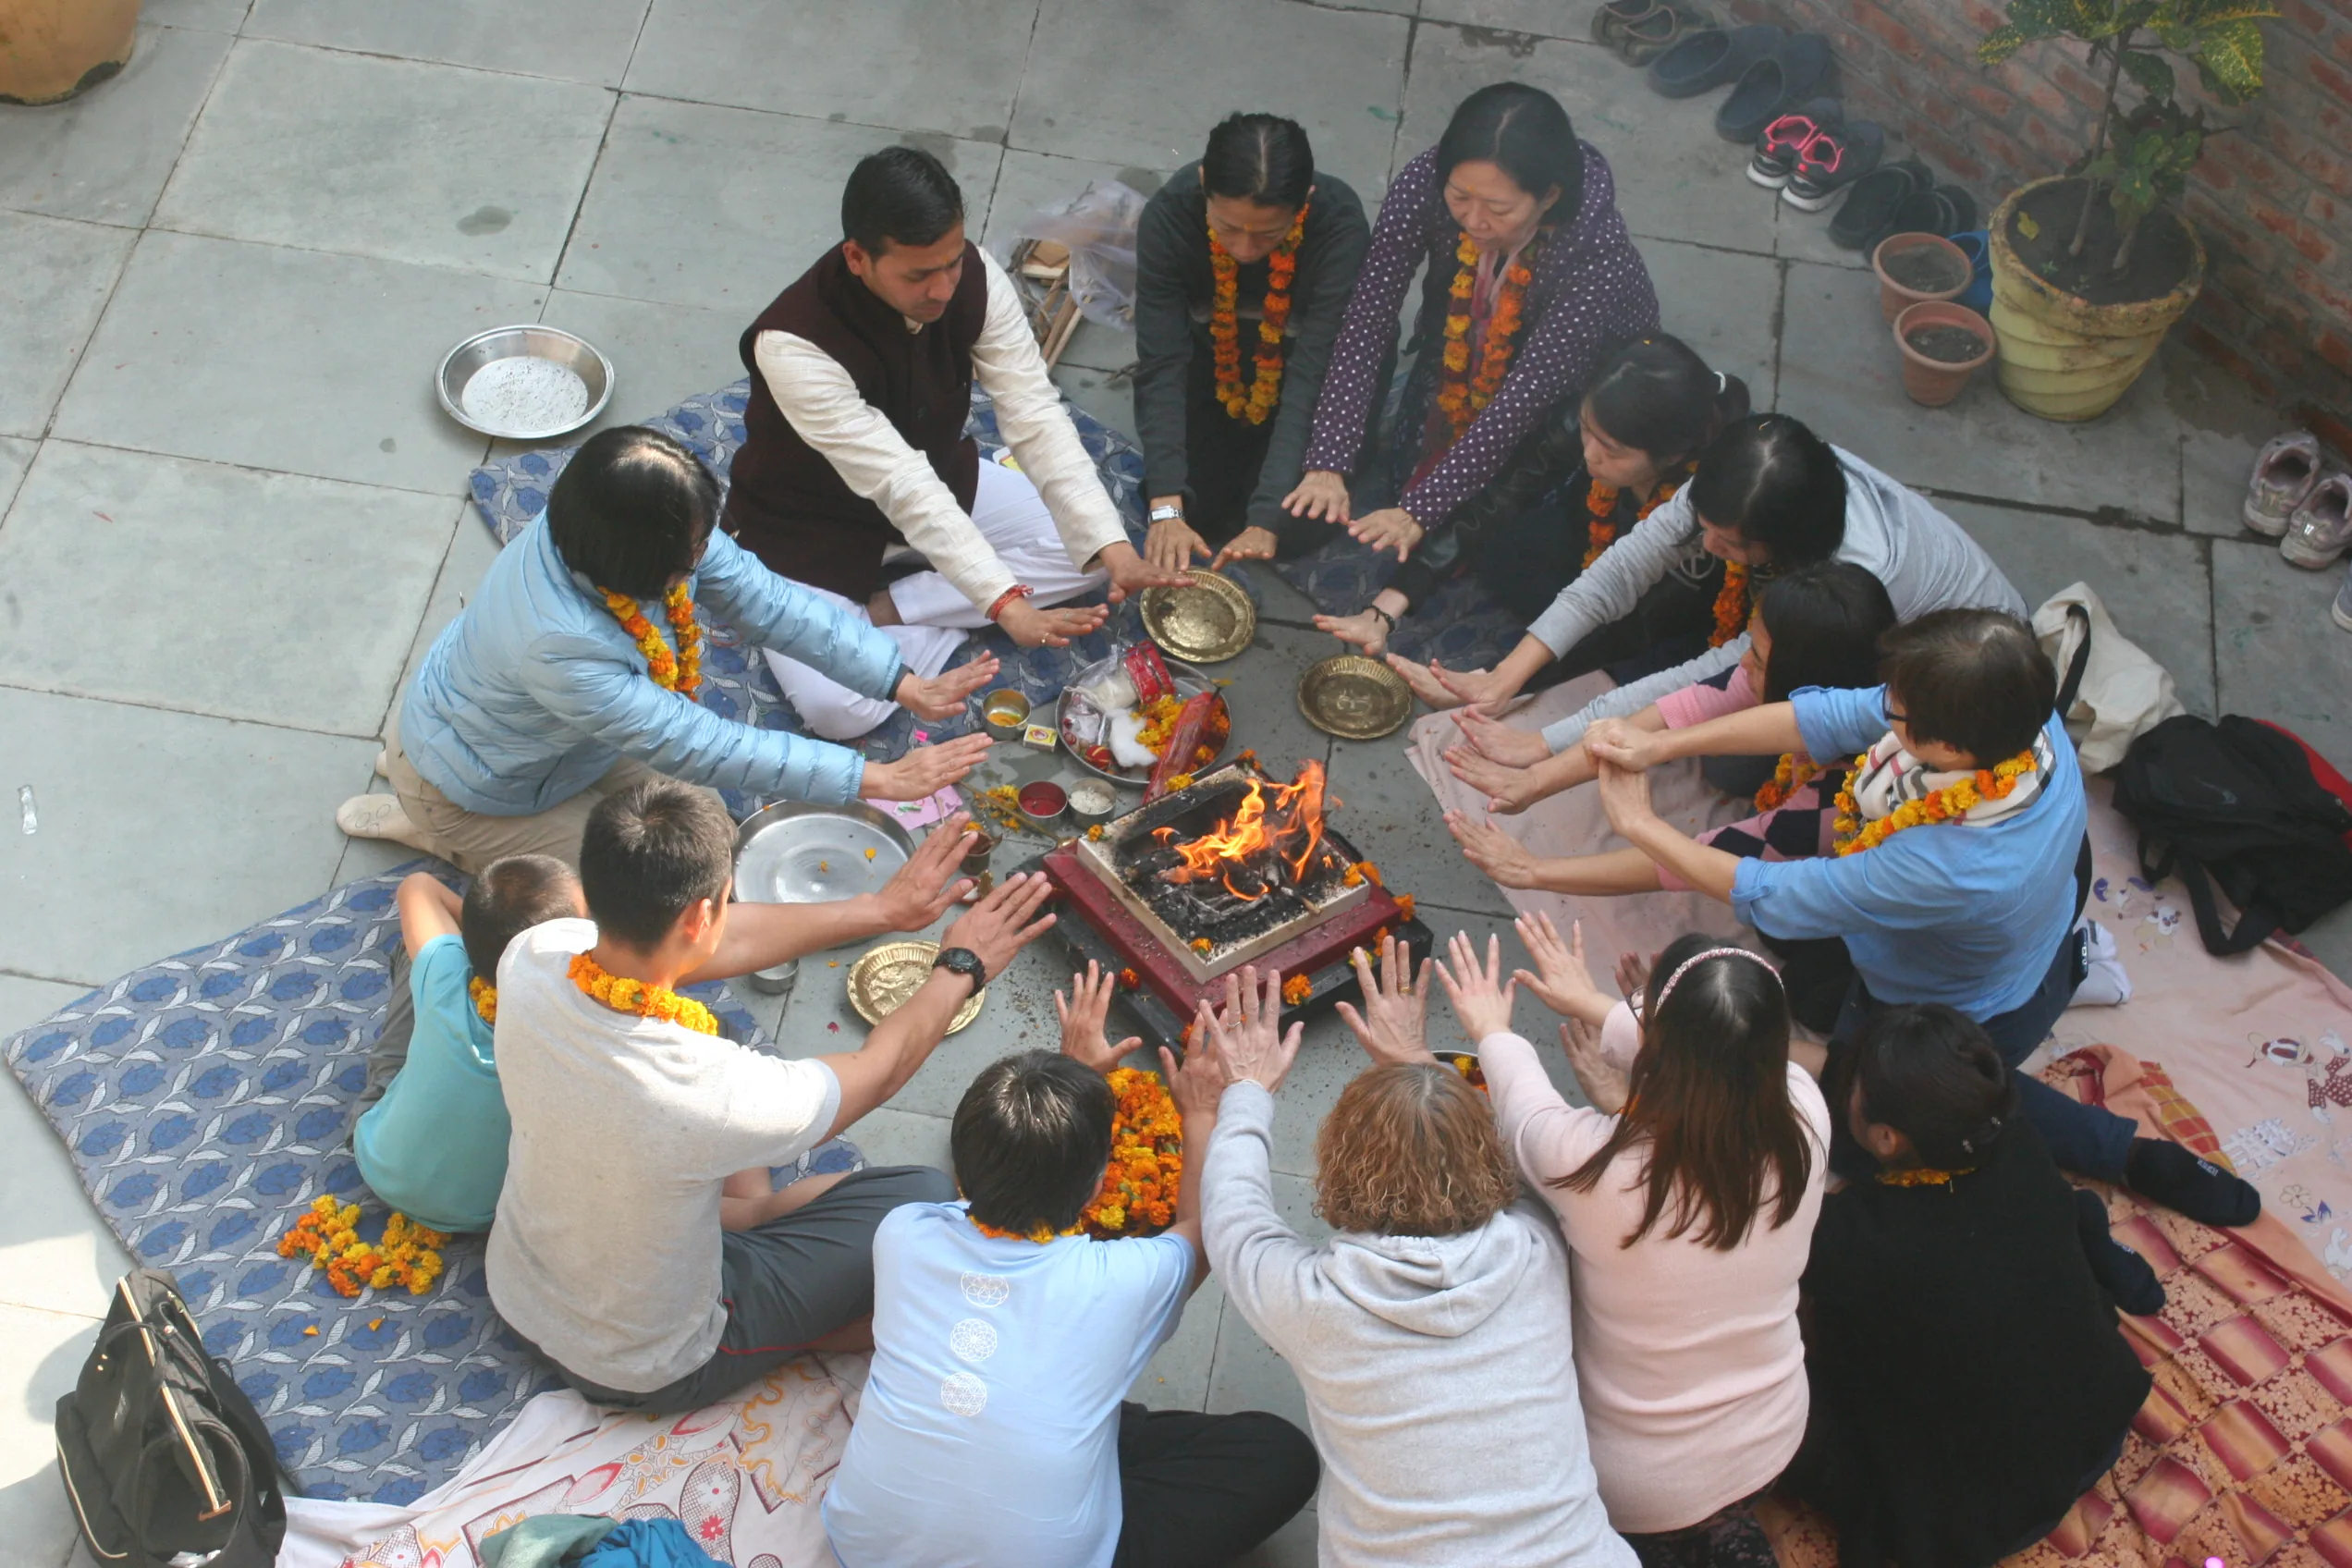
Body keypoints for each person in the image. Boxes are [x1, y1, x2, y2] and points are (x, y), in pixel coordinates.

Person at [1582, 607, 2260, 1228]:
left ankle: (2117, 1159)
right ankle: (2074, 999)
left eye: (1900, 715)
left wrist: (1639, 823)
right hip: (2033, 919)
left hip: (1960, 1002)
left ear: (1955, 751)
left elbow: (1770, 889)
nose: (1886, 716)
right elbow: (1820, 719)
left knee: (1880, 1125)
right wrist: (1657, 746)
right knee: (1823, 1000)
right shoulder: (2017, 710)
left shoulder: (1951, 864)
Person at [486, 781, 1060, 1412]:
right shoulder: (711, 1088)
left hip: (519, 1289)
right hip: (646, 1364)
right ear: (699, 916)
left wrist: (881, 911)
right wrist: (963, 963)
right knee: (921, 1200)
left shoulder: (533, 953)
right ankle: (798, 1323)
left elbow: (721, 944)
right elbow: (881, 1067)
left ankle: (748, 1221)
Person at [823, 963, 1317, 1568]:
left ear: (959, 1171)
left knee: (1069, 1415)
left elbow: (1012, 1178)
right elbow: (1205, 1231)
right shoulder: (1124, 1283)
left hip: (863, 1548)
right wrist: (1202, 1114)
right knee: (1281, 1455)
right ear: (1096, 1192)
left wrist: (1072, 1085)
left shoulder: (904, 1234)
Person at [1350, 932, 1822, 1564]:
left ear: (1655, 1037)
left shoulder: (1594, 1166)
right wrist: (1596, 1004)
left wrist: (1486, 1032)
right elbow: (1712, 1056)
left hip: (1632, 1487)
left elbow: (1518, 1110)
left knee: (1521, 1219)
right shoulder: (1805, 1112)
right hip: (1774, 1435)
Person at [336, 426, 993, 873]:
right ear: (641, 561)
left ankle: (414, 768)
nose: (708, 558)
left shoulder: (608, 527)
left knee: (707, 830)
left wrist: (898, 679)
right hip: (481, 785)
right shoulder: (559, 646)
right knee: (653, 878)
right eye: (694, 553)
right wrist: (876, 779)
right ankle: (434, 828)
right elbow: (699, 743)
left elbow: (768, 601)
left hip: (547, 739)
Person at [726, 145, 1188, 739]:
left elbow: (1034, 414)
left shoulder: (970, 274)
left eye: (950, 263)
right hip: (809, 529)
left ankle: (890, 612)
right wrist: (1004, 604)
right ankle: (943, 610)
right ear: (857, 257)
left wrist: (1112, 548)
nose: (944, 289)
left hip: (943, 477)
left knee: (1090, 553)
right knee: (839, 710)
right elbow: (901, 484)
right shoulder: (792, 344)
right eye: (918, 275)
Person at [1201, 965, 1635, 1568]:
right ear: (1487, 1159)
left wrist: (1247, 1087)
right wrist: (1414, 1057)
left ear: (1336, 1162)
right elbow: (1525, 1149)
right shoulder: (1540, 1248)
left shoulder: (1312, 1302)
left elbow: (1234, 1218)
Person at [1390, 412, 2027, 764]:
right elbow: (1625, 566)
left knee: (1733, 767)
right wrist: (1508, 677)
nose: (1710, 548)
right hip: (1830, 621)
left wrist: (1547, 743)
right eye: (1706, 528)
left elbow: (1725, 674)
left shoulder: (1852, 577)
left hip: (1958, 666)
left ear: (1785, 542)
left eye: (1732, 544)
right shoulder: (1748, 481)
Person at [1287, 83, 1660, 655]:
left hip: (1573, 384)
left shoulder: (1594, 257)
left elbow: (1522, 403)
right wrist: (1329, 459)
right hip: (1463, 333)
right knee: (1424, 434)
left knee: (1504, 508)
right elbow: (1369, 316)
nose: (1474, 220)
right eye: (1461, 197)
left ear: (1549, 196)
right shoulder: (1425, 183)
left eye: (1500, 208)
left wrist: (1422, 510)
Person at [1445, 562, 1896, 1029]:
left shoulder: (1848, 797)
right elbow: (1675, 713)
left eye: (1760, 661)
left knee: (1804, 977)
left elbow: (1706, 858)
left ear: (1808, 680)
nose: (1742, 664)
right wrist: (1535, 780)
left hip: (1877, 947)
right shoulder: (1834, 691)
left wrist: (1535, 871)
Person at [1788, 1006, 2154, 1568]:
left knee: (1770, 1390)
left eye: (1855, 1087)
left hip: (1985, 1515)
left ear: (1886, 1139)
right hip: (2098, 1424)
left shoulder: (1856, 1242)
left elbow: (1741, 1210)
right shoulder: (2011, 1139)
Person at [1317, 335, 1746, 660]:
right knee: (1501, 551)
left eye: (1611, 451)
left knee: (1609, 645)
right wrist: (1385, 609)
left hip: (1659, 605)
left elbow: (1649, 617)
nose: (1589, 454)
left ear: (1670, 454)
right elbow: (1498, 499)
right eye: (1585, 429)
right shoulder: (1586, 421)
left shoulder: (1705, 515)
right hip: (1585, 542)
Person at [1133, 114, 1370, 575]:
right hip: (1218, 363)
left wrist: (1265, 519)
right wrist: (1167, 506)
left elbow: (1315, 373)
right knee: (1191, 508)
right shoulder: (1169, 217)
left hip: (1308, 374)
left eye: (1267, 233)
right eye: (1227, 228)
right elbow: (1162, 361)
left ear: (1305, 201)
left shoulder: (1339, 227)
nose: (1244, 249)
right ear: (1204, 184)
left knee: (1294, 525)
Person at [350, 860, 582, 1232]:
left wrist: (480, 931)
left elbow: (417, 886)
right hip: (484, 1214)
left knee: (424, 959)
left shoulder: (448, 972)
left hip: (378, 1164)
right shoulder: (586, 1022)